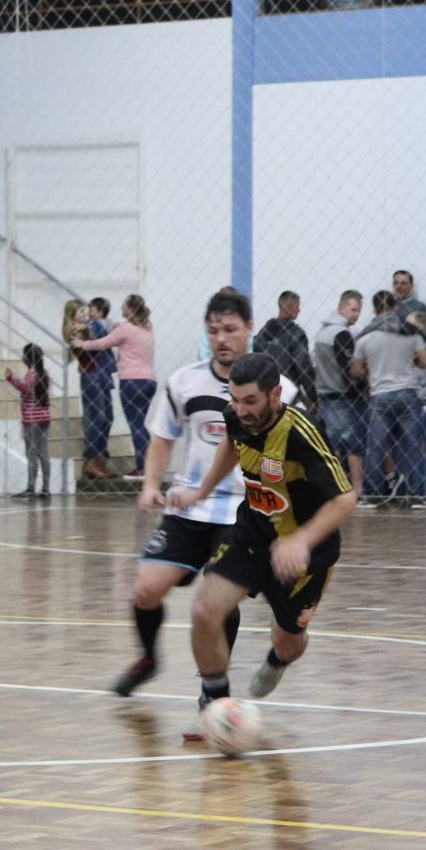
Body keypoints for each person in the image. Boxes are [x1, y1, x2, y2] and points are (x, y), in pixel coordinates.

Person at [170, 353, 355, 732]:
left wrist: (301, 540)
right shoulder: (236, 416)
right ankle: (215, 704)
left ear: (275, 394)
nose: (240, 410)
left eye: (250, 401)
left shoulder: (301, 434)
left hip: (306, 553)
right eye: (234, 400)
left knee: (289, 641)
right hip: (253, 532)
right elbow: (231, 445)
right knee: (205, 610)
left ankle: (277, 662)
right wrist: (202, 491)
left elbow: (345, 499)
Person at [112, 288, 276, 705]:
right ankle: (149, 658)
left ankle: (212, 692)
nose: (222, 338)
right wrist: (152, 485)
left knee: (216, 601)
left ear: (249, 328)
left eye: (231, 329)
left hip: (244, 512)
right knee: (145, 590)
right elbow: (162, 438)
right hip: (189, 506)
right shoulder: (184, 381)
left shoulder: (277, 389)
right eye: (214, 330)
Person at [351, 290, 426, 508]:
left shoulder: (365, 337)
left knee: (376, 447)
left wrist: (372, 368)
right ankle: (416, 496)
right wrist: (410, 361)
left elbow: (356, 369)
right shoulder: (410, 333)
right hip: (407, 393)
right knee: (413, 446)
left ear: (374, 309)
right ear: (395, 308)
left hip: (379, 395)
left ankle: (373, 495)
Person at [73, 293, 158, 477]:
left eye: (124, 306)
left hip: (132, 381)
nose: (121, 308)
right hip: (150, 381)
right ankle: (148, 465)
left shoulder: (126, 328)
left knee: (135, 425)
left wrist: (82, 344)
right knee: (140, 424)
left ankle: (143, 468)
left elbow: (102, 343)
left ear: (130, 309)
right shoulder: (147, 327)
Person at [312, 290, 365, 494]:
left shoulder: (322, 333)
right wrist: (360, 388)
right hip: (343, 396)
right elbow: (347, 368)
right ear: (341, 308)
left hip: (325, 395)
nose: (356, 315)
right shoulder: (341, 334)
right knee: (354, 446)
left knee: (333, 446)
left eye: (358, 310)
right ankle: (357, 490)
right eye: (353, 310)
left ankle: (333, 489)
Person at [68, 298, 116, 480]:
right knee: (97, 417)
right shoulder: (81, 329)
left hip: (101, 374)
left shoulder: (94, 326)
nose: (87, 313)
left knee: (107, 417)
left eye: (89, 309)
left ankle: (99, 459)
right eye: (82, 311)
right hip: (92, 374)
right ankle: (91, 460)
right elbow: (101, 341)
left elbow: (106, 337)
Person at [252, 291, 316, 408]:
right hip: (290, 393)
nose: (299, 310)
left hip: (266, 392)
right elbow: (303, 367)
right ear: (289, 307)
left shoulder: (262, 334)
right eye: (297, 306)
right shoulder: (296, 334)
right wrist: (312, 397)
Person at [5, 343, 52, 499]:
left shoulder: (31, 373)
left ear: (28, 357)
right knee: (43, 453)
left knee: (31, 453)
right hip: (44, 419)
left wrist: (11, 378)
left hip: (31, 420)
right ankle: (45, 488)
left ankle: (31, 488)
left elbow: (25, 387)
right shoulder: (43, 374)